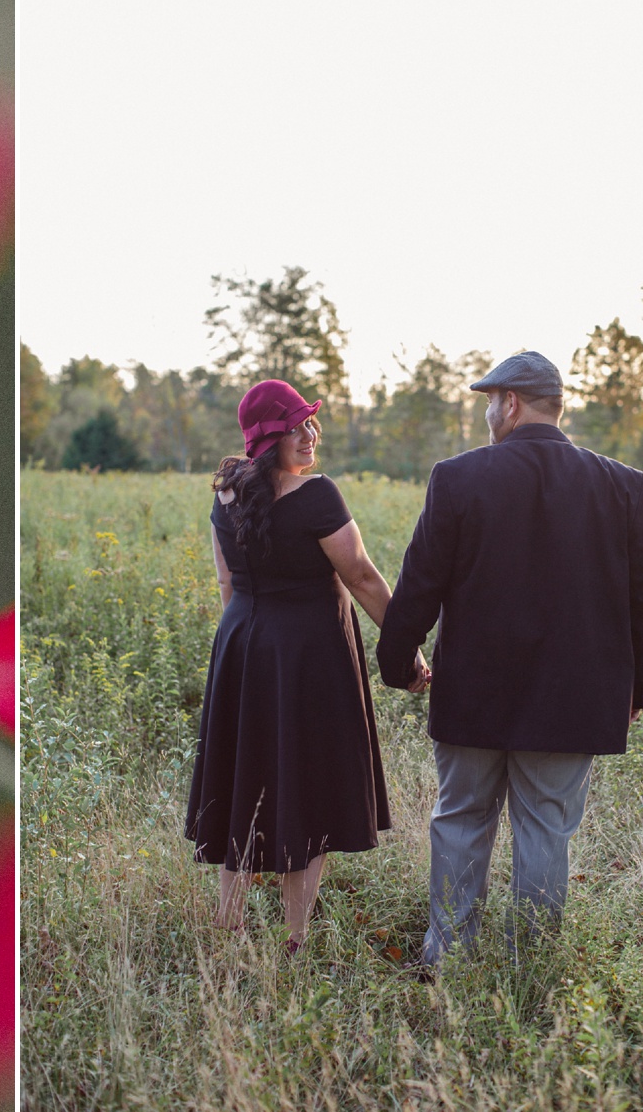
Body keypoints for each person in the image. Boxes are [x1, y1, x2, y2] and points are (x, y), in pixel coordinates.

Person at [376, 350, 643, 970]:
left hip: (474, 693)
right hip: (573, 699)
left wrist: (399, 663)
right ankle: (528, 968)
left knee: (460, 820)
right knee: (546, 830)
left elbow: (419, 583)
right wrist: (638, 689)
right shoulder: (621, 484)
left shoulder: (458, 477)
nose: (487, 412)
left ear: (509, 404)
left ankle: (447, 955)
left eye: (489, 401)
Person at [185, 378, 429, 951]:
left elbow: (227, 583)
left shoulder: (225, 496)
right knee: (309, 784)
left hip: (242, 649)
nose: (310, 434)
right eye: (296, 427)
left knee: (245, 779)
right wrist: (408, 651)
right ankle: (294, 939)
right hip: (310, 658)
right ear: (269, 439)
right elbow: (363, 577)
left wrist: (249, 646)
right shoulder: (318, 495)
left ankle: (232, 925)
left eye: (311, 423)